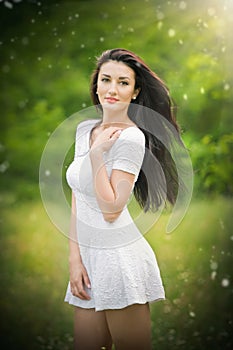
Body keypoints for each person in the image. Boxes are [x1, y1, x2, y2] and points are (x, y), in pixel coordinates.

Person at [65, 48, 182, 350]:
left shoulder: (131, 137)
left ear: (135, 91)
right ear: (96, 85)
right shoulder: (84, 130)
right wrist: (75, 259)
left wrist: (96, 157)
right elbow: (79, 196)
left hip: (118, 258)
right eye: (106, 80)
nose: (112, 90)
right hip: (89, 261)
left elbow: (112, 209)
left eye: (123, 82)